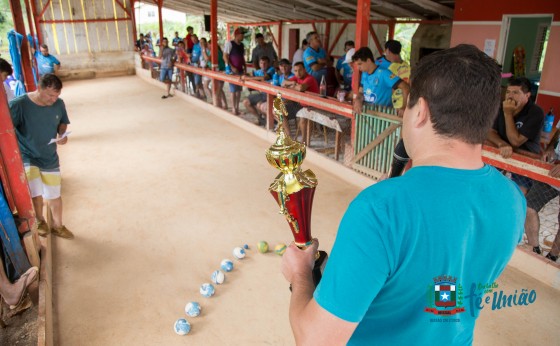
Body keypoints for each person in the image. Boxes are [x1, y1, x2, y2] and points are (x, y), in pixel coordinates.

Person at [281, 44, 525, 345]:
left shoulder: (379, 210)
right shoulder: (513, 200)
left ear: (420, 111)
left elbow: (315, 339)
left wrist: (300, 275)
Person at [9, 74, 74, 239]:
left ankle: (58, 226)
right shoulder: (19, 105)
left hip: (49, 156)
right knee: (35, 192)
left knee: (54, 194)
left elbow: (63, 122)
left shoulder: (59, 104)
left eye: (56, 96)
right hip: (27, 155)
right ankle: (40, 221)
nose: (53, 100)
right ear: (39, 88)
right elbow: (8, 130)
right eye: (50, 95)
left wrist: (62, 134)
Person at [487, 77, 544, 193]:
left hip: (525, 156)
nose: (510, 96)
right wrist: (501, 143)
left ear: (527, 96)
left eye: (516, 92)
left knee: (519, 194)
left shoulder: (535, 112)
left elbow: (515, 141)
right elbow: (489, 132)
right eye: (508, 92)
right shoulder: (500, 107)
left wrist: (508, 114)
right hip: (502, 151)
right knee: (486, 182)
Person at [524, 128, 560, 259]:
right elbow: (558, 133)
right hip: (552, 170)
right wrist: (551, 148)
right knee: (529, 207)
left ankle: (553, 256)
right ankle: (534, 249)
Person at [352, 47, 409, 115]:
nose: (358, 68)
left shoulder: (384, 73)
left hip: (383, 115)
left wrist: (404, 107)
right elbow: (361, 91)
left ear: (368, 60)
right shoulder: (364, 74)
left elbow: (406, 87)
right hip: (368, 113)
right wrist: (358, 99)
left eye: (360, 64)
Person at [283, 62, 319, 140]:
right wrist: (293, 83)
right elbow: (283, 83)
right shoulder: (296, 78)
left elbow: (301, 88)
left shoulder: (310, 78)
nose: (298, 73)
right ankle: (289, 136)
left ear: (305, 70)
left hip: (311, 106)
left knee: (302, 118)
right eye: (295, 71)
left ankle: (304, 141)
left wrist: (291, 87)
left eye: (300, 70)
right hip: (299, 104)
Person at [242, 56, 275, 125]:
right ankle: (260, 119)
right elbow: (248, 74)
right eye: (261, 63)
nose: (263, 65)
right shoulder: (259, 71)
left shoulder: (272, 69)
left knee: (259, 105)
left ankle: (270, 121)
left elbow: (264, 77)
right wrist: (244, 76)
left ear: (269, 64)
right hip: (262, 94)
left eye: (265, 63)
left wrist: (249, 78)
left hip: (271, 94)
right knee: (246, 102)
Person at [223, 27, 247, 115]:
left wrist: (245, 67)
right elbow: (225, 56)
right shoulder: (230, 44)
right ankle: (233, 108)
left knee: (239, 90)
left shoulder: (242, 45)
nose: (243, 36)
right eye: (241, 34)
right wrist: (231, 67)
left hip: (240, 70)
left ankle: (237, 107)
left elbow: (242, 57)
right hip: (232, 71)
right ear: (237, 35)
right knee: (233, 90)